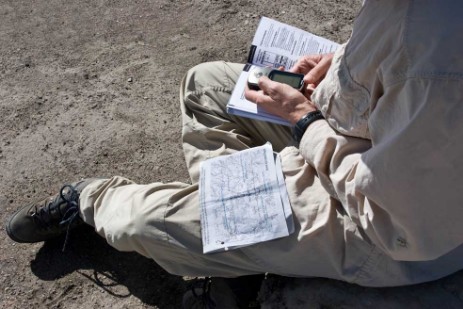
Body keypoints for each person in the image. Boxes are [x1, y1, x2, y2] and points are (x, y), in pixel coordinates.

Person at [6, 0, 463, 306]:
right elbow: (396, 53)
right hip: (356, 143)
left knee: (139, 222)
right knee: (209, 85)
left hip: (379, 224)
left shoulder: (441, 58)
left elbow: (398, 222)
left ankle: (92, 199)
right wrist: (340, 62)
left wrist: (305, 122)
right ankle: (239, 249)